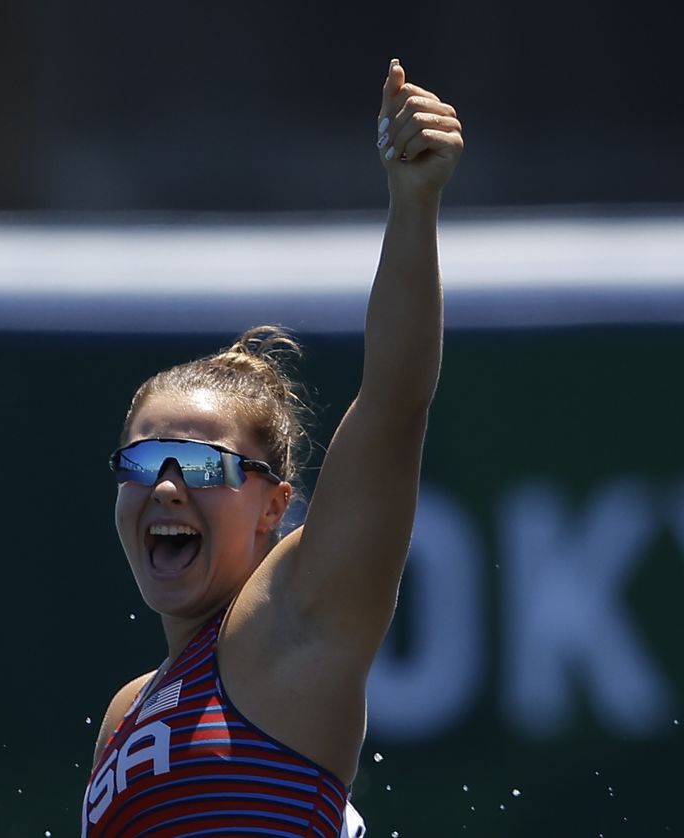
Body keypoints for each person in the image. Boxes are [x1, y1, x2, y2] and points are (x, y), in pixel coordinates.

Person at [82, 58, 463, 838]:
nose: (164, 489)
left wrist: (413, 204)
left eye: (196, 465)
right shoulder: (126, 713)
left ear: (274, 506)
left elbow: (396, 402)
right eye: (143, 464)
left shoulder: (294, 620)